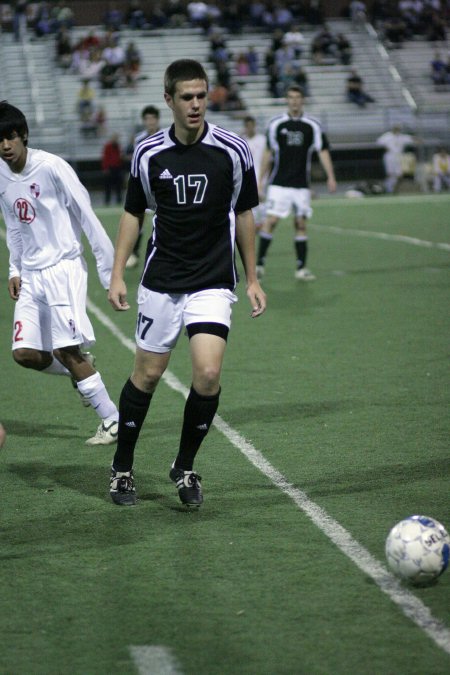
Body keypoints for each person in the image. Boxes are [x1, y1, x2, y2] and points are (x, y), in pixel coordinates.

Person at [107, 59, 266, 507]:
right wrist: (118, 273)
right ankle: (121, 468)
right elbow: (133, 213)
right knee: (148, 375)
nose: (196, 105)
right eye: (186, 97)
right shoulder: (147, 153)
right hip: (162, 280)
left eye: (201, 96)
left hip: (213, 279)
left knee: (209, 374)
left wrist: (252, 277)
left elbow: (244, 213)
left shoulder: (233, 151)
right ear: (169, 100)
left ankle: (184, 466)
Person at [0, 100, 119, 446]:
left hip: (63, 269)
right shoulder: (2, 175)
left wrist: (108, 271)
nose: (5, 146)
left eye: (10, 137)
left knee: (66, 350)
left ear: (23, 136)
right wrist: (14, 268)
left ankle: (112, 419)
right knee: (24, 354)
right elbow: (14, 224)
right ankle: (79, 371)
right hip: (32, 275)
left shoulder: (52, 167)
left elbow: (86, 215)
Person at [256, 85, 337, 281]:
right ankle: (259, 264)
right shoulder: (276, 124)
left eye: (297, 97)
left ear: (303, 100)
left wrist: (331, 176)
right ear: (286, 100)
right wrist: (260, 181)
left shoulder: (312, 125)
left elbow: (323, 151)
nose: (294, 101)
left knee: (301, 224)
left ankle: (301, 268)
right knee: (271, 221)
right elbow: (268, 152)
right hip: (279, 183)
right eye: (290, 97)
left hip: (301, 185)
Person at [126, 105, 161, 269]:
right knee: (138, 217)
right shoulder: (139, 139)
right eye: (147, 119)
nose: (150, 122)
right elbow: (136, 162)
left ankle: (161, 251)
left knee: (163, 219)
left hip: (162, 182)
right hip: (145, 183)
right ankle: (134, 252)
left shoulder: (165, 137)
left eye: (153, 118)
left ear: (157, 120)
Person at [241, 115, 266, 229]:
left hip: (261, 173)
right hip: (248, 174)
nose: (249, 128)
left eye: (251, 126)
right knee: (251, 199)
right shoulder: (242, 140)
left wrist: (265, 174)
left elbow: (268, 158)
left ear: (254, 126)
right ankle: (256, 222)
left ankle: (264, 221)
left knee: (261, 197)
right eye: (247, 126)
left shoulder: (262, 140)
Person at [376, 125, 414, 193]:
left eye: (398, 129)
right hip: (390, 156)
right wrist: (385, 147)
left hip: (398, 157)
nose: (397, 130)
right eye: (396, 129)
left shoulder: (401, 137)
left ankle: (392, 188)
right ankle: (387, 188)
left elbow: (411, 139)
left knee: (398, 174)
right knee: (390, 173)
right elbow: (378, 141)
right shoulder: (387, 136)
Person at [101, 133, 124, 205]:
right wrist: (105, 168)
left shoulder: (118, 146)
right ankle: (107, 201)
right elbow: (105, 158)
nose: (115, 140)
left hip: (117, 168)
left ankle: (119, 200)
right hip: (110, 168)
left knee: (119, 186)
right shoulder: (108, 146)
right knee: (108, 186)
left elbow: (120, 158)